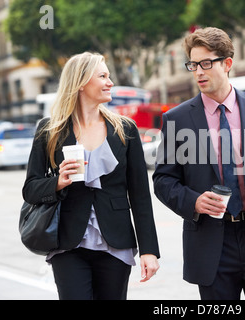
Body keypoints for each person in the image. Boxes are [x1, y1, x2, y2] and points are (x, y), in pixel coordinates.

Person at [153, 27, 245, 300]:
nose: (198, 72)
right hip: (212, 244)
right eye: (193, 65)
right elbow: (163, 181)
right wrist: (193, 201)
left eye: (206, 64)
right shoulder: (178, 119)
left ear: (228, 64)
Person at [23, 52, 160, 300]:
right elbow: (30, 188)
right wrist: (57, 182)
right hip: (67, 243)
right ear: (81, 83)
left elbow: (140, 195)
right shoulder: (49, 130)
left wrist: (149, 250)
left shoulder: (125, 129)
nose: (110, 82)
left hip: (116, 242)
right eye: (103, 76)